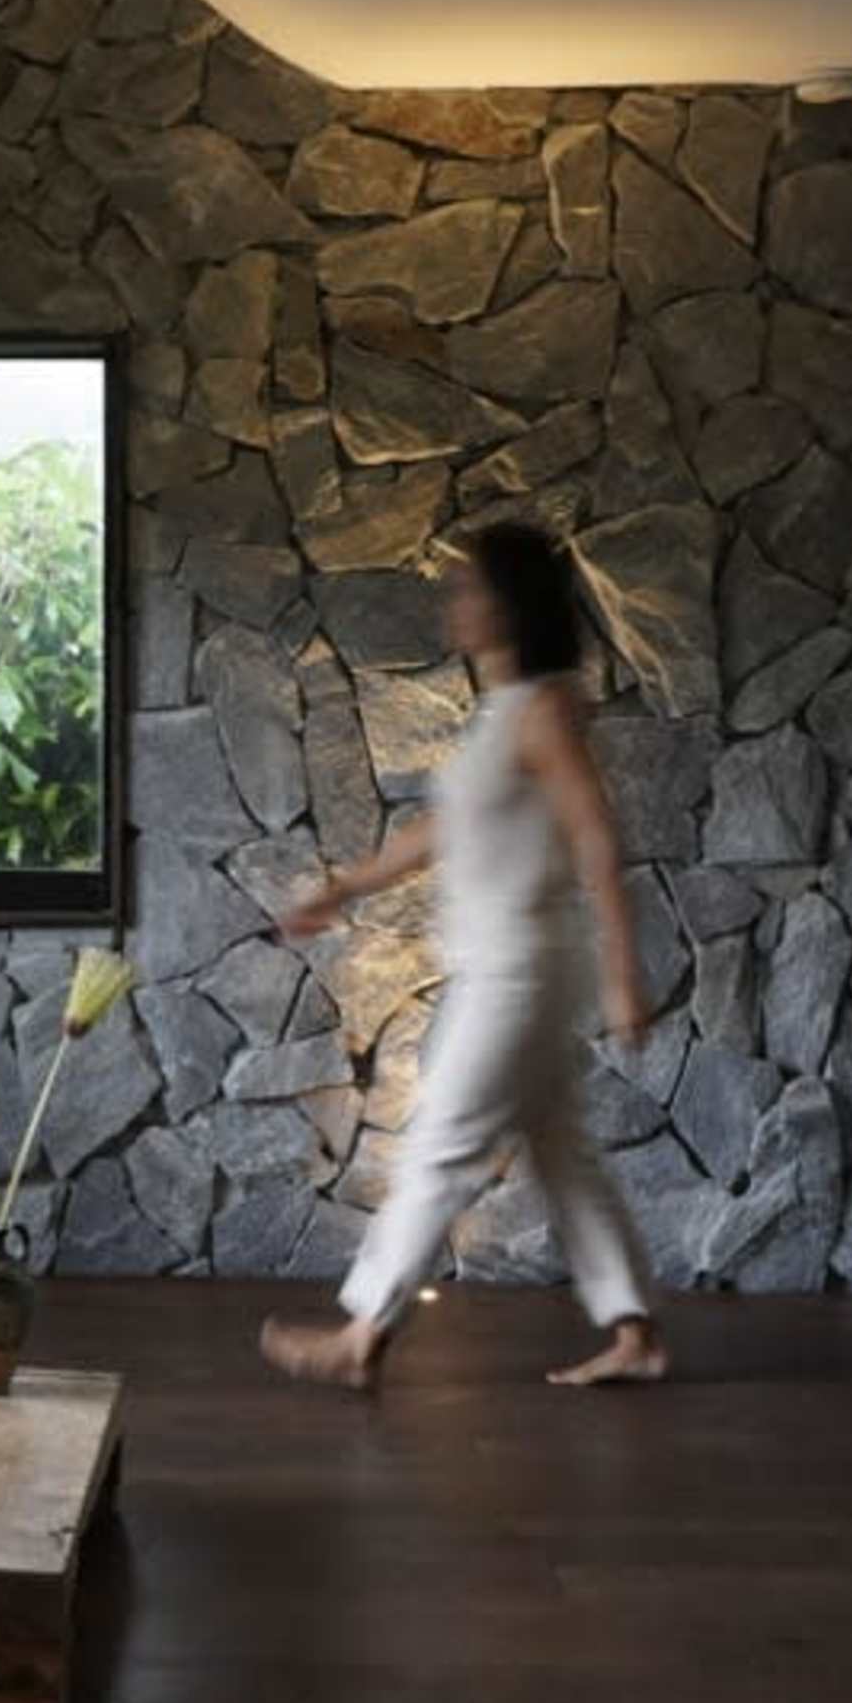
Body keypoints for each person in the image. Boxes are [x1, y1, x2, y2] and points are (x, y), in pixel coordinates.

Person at [258, 520, 665, 1391]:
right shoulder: (505, 712)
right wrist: (345, 887)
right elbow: (441, 829)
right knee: (561, 1151)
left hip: (519, 971)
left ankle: (362, 1333)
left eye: (470, 587)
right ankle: (633, 1329)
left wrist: (626, 975)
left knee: (442, 1142)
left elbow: (597, 838)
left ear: (508, 603)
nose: (456, 602)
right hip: (511, 967)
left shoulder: (544, 709)